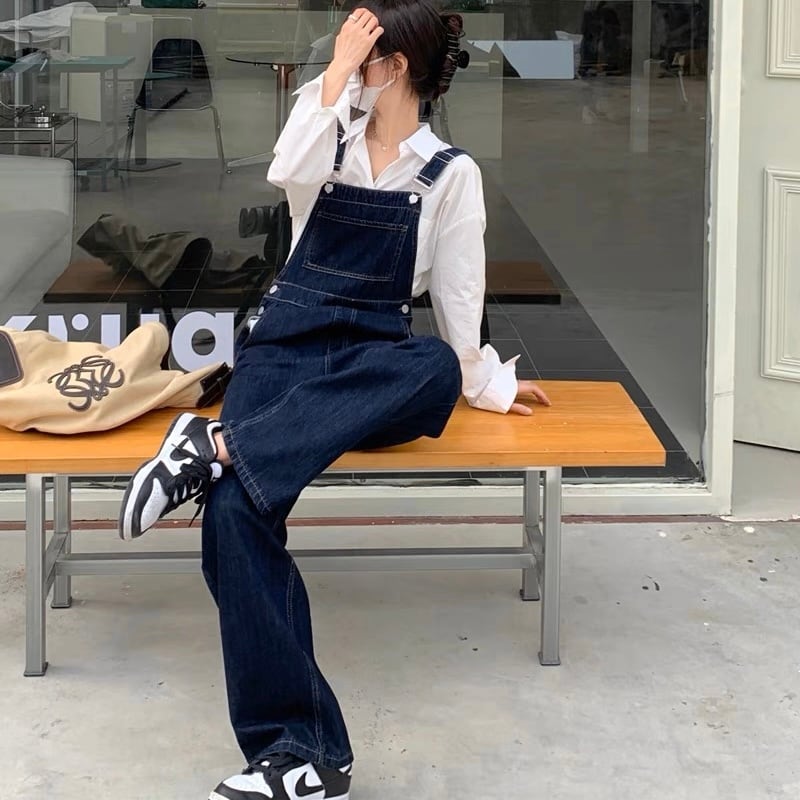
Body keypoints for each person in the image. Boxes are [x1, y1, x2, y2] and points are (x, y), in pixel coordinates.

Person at [118, 3, 550, 798]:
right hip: (285, 349)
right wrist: (338, 75)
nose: (343, 65)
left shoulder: (450, 173)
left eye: (362, 52)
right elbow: (286, 171)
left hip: (369, 367)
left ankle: (215, 448)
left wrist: (486, 381)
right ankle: (299, 752)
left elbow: (460, 297)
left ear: (399, 66)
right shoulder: (328, 130)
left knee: (433, 366)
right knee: (232, 516)